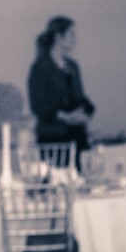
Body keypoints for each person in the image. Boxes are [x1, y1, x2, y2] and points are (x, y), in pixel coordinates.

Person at [28, 16, 95, 169]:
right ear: (59, 36)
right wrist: (64, 116)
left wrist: (84, 112)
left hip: (76, 134)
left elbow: (79, 97)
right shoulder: (41, 66)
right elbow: (38, 104)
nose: (74, 40)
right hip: (53, 136)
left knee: (78, 176)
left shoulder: (73, 66)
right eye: (71, 34)